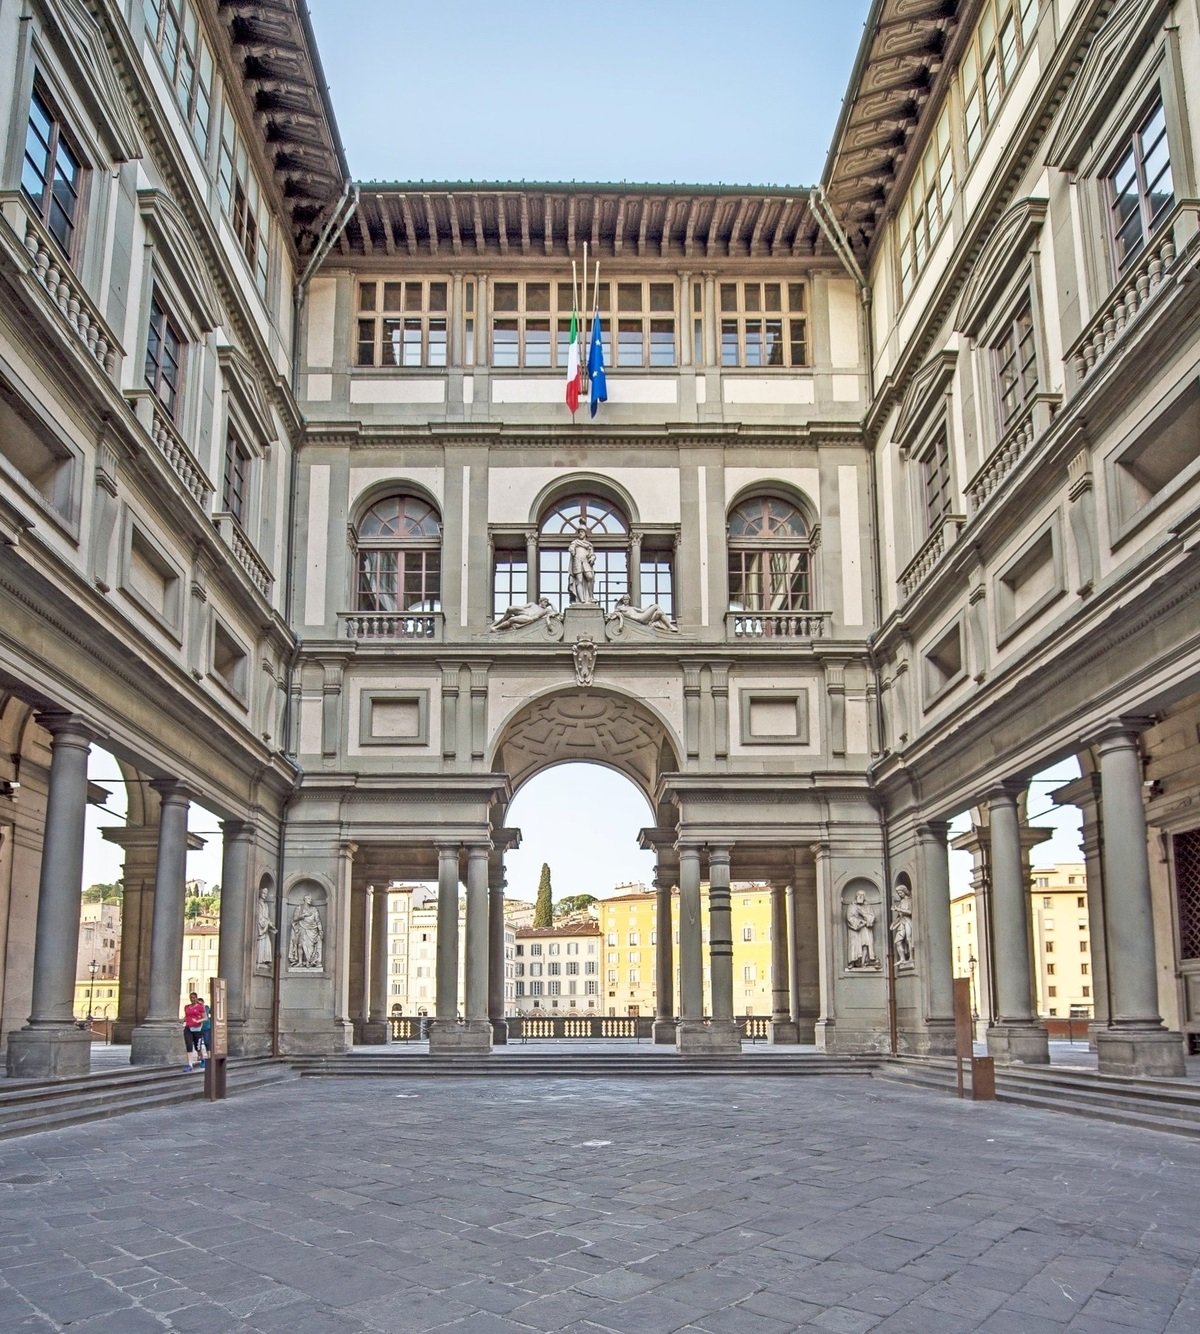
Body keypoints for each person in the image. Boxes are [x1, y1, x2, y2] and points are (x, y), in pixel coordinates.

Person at [606, 594, 679, 634]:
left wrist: (649, 606)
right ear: (622, 600)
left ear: (629, 600)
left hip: (642, 617)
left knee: (659, 612)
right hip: (640, 619)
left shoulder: (632, 608)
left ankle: (667, 626)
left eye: (627, 599)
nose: (626, 601)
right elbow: (614, 613)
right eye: (624, 599)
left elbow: (642, 610)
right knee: (656, 606)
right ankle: (670, 626)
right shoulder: (620, 608)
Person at [288, 894, 323, 968]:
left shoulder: (314, 909)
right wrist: (303, 915)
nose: (310, 900)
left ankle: (308, 962)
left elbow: (318, 921)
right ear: (305, 899)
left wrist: (320, 930)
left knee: (310, 946)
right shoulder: (299, 908)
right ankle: (300, 961)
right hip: (302, 927)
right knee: (300, 944)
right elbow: (295, 918)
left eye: (310, 899)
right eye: (309, 898)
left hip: (312, 929)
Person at [846, 890, 878, 969]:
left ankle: (863, 962)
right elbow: (849, 917)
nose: (860, 896)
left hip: (865, 929)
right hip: (855, 929)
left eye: (862, 895)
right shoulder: (852, 905)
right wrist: (860, 922)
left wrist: (863, 914)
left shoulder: (868, 906)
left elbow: (872, 916)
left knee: (865, 944)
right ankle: (853, 962)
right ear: (856, 896)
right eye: (859, 895)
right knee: (855, 945)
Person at [491, 597, 556, 632]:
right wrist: (518, 611)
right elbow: (523, 607)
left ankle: (496, 628)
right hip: (524, 611)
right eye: (545, 602)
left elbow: (555, 612)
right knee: (510, 608)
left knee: (512, 619)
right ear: (541, 601)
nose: (546, 604)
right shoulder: (532, 604)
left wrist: (551, 604)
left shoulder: (545, 610)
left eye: (547, 603)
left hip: (530, 618)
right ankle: (501, 623)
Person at [568, 526, 596, 604]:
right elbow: (571, 548)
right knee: (579, 580)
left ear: (585, 533)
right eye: (579, 532)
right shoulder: (575, 542)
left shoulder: (589, 544)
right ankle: (581, 599)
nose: (580, 533)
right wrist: (572, 550)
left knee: (590, 577)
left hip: (585, 562)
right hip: (577, 561)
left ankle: (590, 597)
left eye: (582, 532)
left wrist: (593, 558)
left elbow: (592, 554)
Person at [182, 992, 206, 1071]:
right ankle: (190, 1065)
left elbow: (205, 1018)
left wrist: (198, 1021)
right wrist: (182, 1020)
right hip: (188, 1027)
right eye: (191, 997)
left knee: (198, 1047)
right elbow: (187, 1017)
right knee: (189, 1045)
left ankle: (202, 1059)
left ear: (196, 998)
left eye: (193, 997)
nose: (192, 999)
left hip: (197, 1029)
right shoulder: (186, 1007)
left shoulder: (200, 1007)